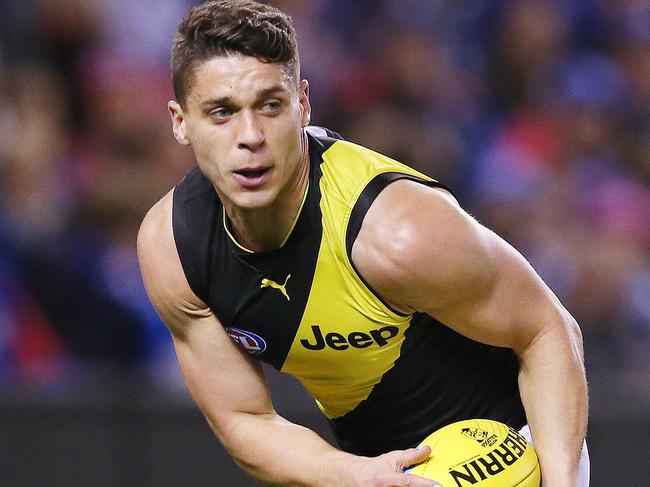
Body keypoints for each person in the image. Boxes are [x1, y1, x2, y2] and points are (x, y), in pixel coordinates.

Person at [137, 1, 589, 485]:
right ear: (180, 121)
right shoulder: (174, 249)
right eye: (222, 112)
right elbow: (244, 419)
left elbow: (548, 331)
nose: (251, 136)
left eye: (270, 105)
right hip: (377, 468)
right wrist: (354, 474)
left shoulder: (398, 231)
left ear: (303, 104)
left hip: (512, 454)